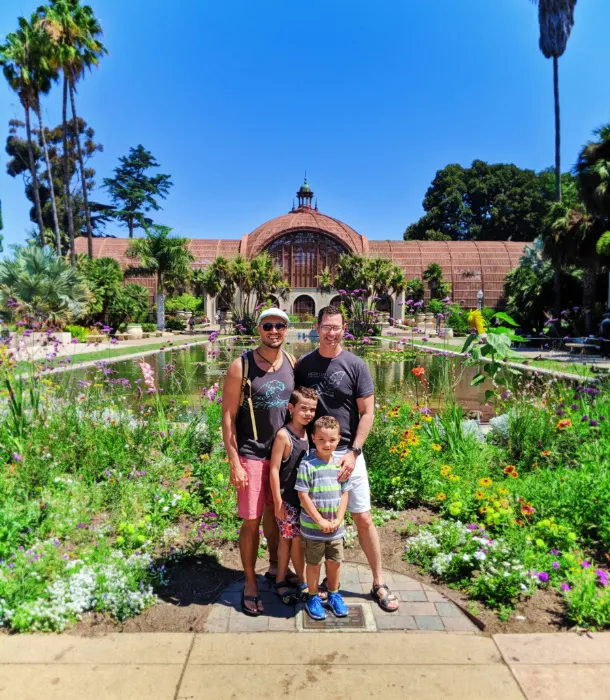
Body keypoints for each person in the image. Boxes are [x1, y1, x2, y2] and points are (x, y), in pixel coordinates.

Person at [295, 305, 400, 613]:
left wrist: (354, 452)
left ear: (344, 328)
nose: (331, 332)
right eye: (326, 326)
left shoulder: (356, 364)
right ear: (317, 327)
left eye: (336, 327)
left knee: (362, 517)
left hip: (348, 455)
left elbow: (367, 413)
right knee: (312, 522)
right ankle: (310, 584)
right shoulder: (305, 365)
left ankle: (378, 581)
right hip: (316, 456)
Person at [222, 308, 295, 616]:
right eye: (268, 325)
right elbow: (227, 416)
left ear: (286, 330)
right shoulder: (242, 365)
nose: (274, 330)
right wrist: (234, 461)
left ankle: (277, 570)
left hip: (282, 456)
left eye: (280, 325)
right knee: (251, 521)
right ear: (259, 329)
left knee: (276, 515)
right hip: (251, 454)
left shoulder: (292, 362)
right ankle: (250, 582)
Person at [295, 415, 351, 620]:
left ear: (339, 439)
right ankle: (312, 596)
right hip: (313, 527)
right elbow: (303, 495)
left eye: (332, 440)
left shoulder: (340, 464)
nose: (327, 444)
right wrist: (320, 521)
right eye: (321, 439)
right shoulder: (308, 465)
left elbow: (345, 493)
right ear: (313, 438)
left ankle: (334, 594)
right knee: (314, 563)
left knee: (335, 562)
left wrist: (338, 519)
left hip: (336, 528)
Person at [269, 386, 318, 605]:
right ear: (291, 408)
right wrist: (278, 502)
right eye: (303, 409)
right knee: (287, 542)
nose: (308, 413)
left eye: (312, 410)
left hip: (302, 502)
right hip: (287, 501)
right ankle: (283, 580)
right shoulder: (284, 435)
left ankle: (298, 578)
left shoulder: (308, 433)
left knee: (296, 541)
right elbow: (273, 469)